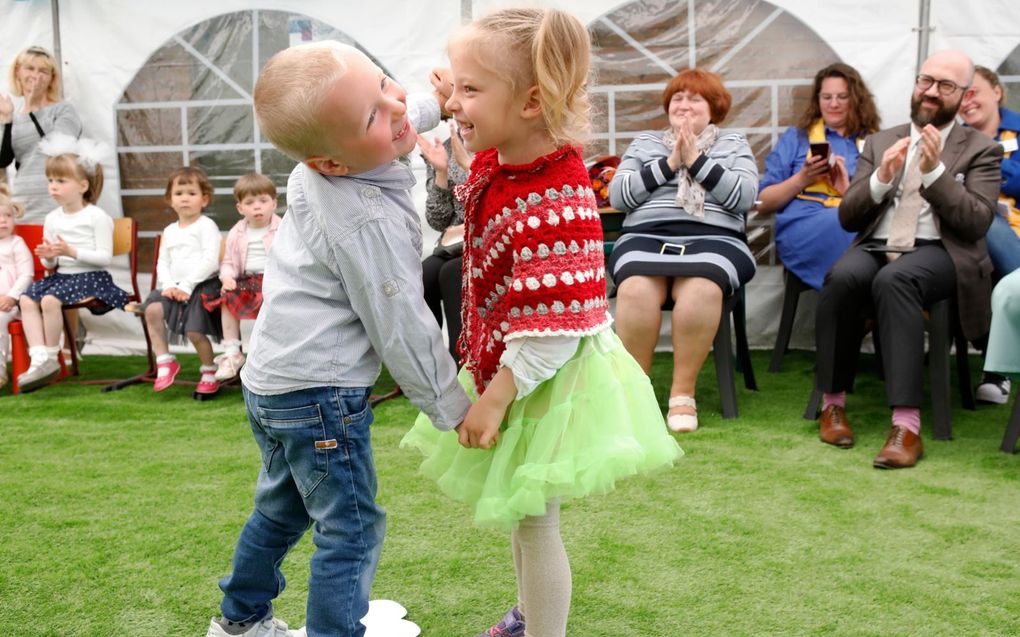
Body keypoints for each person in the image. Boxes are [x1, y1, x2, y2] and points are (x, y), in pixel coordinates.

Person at [400, 9, 681, 637]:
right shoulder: (509, 157)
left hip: (544, 375)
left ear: (531, 101)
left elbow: (555, 324)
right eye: (457, 88)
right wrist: (460, 107)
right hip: (512, 362)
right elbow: (476, 193)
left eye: (471, 90)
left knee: (536, 518)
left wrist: (495, 398)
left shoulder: (557, 197)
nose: (455, 104)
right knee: (521, 511)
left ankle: (542, 629)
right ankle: (528, 615)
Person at [204, 42, 470, 637]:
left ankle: (238, 623)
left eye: (385, 83)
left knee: (280, 508)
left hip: (272, 383)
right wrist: (453, 408)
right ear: (334, 163)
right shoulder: (364, 217)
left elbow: (397, 114)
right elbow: (399, 322)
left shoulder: (323, 158)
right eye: (375, 113)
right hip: (317, 394)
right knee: (349, 527)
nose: (395, 105)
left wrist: (442, 102)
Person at [814, 49, 1002, 469]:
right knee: (842, 277)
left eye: (945, 85)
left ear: (964, 93)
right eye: (926, 81)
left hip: (939, 251)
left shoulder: (981, 148)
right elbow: (848, 217)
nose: (931, 92)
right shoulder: (881, 141)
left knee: (895, 280)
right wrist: (881, 177)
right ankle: (832, 404)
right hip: (876, 245)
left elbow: (975, 223)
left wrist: (935, 173)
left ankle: (906, 426)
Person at [607, 68, 759, 433]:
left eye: (695, 98)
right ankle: (636, 394)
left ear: (714, 107)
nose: (684, 104)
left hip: (715, 241)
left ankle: (682, 395)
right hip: (645, 236)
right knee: (636, 288)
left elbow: (744, 197)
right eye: (678, 97)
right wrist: (671, 163)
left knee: (702, 288)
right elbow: (619, 195)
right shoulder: (645, 143)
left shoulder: (733, 144)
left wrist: (698, 162)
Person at [16, 134, 128, 392]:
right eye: (50, 180)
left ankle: (54, 354)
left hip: (91, 277)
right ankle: (40, 357)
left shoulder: (96, 216)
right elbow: (50, 264)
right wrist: (49, 255)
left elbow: (104, 257)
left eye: (60, 181)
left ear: (83, 185)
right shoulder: (53, 217)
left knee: (49, 300)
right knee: (26, 299)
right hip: (62, 277)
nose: (53, 186)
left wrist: (71, 251)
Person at [758, 63, 881, 289]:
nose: (833, 104)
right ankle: (861, 311)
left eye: (842, 97)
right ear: (817, 100)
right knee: (846, 227)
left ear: (856, 99)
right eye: (826, 97)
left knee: (876, 235)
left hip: (861, 219)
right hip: (807, 223)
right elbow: (763, 203)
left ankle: (859, 307)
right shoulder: (797, 138)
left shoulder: (876, 141)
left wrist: (848, 189)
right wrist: (803, 178)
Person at [958, 65, 1020, 405]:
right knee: (976, 236)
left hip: (1013, 231)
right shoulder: (952, 140)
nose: (967, 101)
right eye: (961, 95)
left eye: (974, 92)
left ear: (996, 91)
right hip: (973, 236)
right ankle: (996, 367)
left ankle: (997, 371)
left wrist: (985, 165)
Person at [141, 167, 223, 396]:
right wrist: (168, 285)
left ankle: (209, 369)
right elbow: (162, 262)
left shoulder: (206, 226)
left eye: (191, 193)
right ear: (170, 200)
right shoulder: (169, 230)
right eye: (179, 193)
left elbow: (210, 260)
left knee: (194, 330)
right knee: (152, 310)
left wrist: (186, 285)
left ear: (204, 199)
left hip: (201, 286)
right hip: (173, 286)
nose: (185, 198)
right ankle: (165, 361)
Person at [204, 172, 282, 382]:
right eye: (250, 202)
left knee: (275, 303)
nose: (257, 207)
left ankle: (274, 355)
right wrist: (227, 278)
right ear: (240, 208)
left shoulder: (283, 228)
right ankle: (233, 353)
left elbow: (292, 259)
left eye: (263, 201)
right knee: (226, 298)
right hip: (246, 280)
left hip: (275, 280)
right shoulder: (237, 232)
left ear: (274, 203)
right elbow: (228, 262)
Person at [0, 46, 83, 223]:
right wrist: (6, 122)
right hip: (23, 203)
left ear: (52, 78)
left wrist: (34, 104)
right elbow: (3, 160)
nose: (36, 75)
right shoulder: (11, 113)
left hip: (56, 201)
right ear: (18, 72)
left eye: (43, 71)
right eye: (30, 68)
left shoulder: (63, 110)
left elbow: (59, 148)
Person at [418, 121, 471, 364]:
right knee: (423, 274)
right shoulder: (444, 148)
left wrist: (469, 168)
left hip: (484, 238)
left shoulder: (498, 142)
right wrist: (441, 172)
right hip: (453, 243)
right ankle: (431, 363)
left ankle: (461, 360)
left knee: (451, 273)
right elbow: (437, 220)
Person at [0, 193, 33, 389]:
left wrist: (12, 297)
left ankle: (0, 372)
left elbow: (26, 275)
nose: (3, 221)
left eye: (8, 215)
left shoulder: (16, 244)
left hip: (12, 305)